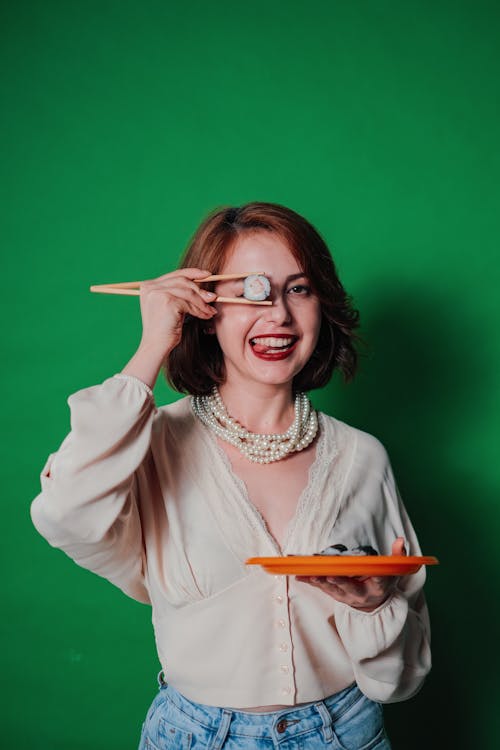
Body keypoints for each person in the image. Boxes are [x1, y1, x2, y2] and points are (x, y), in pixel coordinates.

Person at [31, 202, 431, 750]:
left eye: (299, 289)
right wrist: (152, 346)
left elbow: (397, 680)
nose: (279, 317)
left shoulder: (363, 458)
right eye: (252, 290)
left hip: (345, 731)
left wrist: (374, 606)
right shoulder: (150, 445)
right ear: (204, 308)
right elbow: (65, 512)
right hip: (190, 735)